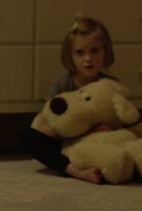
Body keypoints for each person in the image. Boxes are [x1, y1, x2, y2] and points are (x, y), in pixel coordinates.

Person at [20, 17, 119, 184]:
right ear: (70, 56)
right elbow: (43, 123)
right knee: (27, 136)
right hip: (65, 143)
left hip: (97, 144)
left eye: (95, 50)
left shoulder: (110, 86)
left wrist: (108, 129)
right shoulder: (62, 84)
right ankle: (74, 171)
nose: (88, 58)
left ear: (105, 51)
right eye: (80, 52)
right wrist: (77, 133)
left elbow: (121, 121)